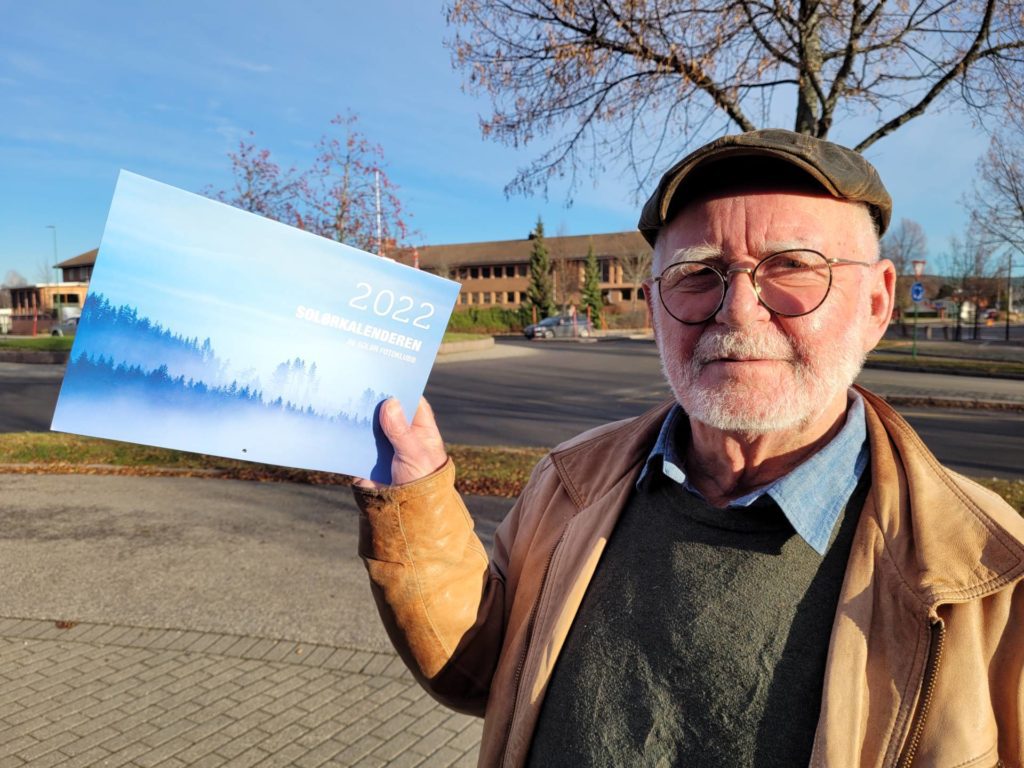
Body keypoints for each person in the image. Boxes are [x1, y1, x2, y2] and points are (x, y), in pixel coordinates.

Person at [354, 129, 1024, 767]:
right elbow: (481, 669)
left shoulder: (990, 572)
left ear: (878, 302)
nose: (736, 310)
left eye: (792, 266)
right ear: (653, 309)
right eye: (698, 274)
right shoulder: (570, 483)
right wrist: (413, 494)